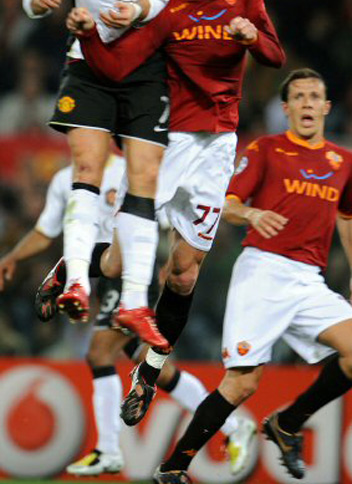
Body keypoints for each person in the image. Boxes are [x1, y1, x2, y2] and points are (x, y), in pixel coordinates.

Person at [65, 0, 286, 433]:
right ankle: (70, 269)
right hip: (169, 142)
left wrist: (253, 37)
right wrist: (89, 36)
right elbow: (120, 66)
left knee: (184, 275)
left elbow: (275, 56)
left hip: (219, 148)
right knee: (119, 260)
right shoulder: (166, 4)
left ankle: (148, 372)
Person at [150, 68, 352, 483]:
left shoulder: (343, 161)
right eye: (299, 97)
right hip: (262, 271)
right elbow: (227, 204)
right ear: (286, 108)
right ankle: (174, 467)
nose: (307, 103)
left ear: (327, 107)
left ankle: (287, 424)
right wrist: (252, 213)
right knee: (242, 383)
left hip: (309, 279)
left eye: (314, 96)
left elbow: (349, 216)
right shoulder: (266, 150)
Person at [0, 156, 254, 477]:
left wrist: (171, 263)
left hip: (135, 272)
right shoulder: (66, 180)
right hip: (104, 270)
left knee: (100, 352)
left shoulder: (132, 167)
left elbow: (171, 218)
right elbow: (43, 231)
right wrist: (12, 257)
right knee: (154, 369)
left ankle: (108, 449)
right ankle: (233, 427)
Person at [22, 0, 190, 347]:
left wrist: (135, 9)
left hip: (144, 67)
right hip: (90, 63)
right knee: (87, 168)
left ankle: (134, 303)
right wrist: (40, 2)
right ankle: (77, 279)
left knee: (145, 181)